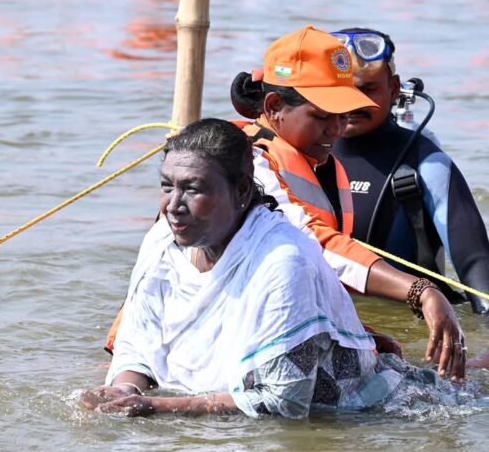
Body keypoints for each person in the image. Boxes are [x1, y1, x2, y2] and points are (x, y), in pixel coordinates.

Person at [82, 119, 416, 418]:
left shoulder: (283, 261)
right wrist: (126, 389)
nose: (172, 206)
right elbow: (138, 344)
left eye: (192, 189)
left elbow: (286, 400)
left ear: (242, 190)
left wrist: (159, 407)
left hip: (370, 410)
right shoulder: (161, 241)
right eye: (167, 186)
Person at [225, 25, 466, 381]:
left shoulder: (322, 163)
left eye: (342, 114)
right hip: (216, 339)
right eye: (322, 116)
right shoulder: (247, 163)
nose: (336, 130)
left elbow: (317, 281)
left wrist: (359, 333)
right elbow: (316, 244)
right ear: (275, 107)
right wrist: (421, 290)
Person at [329, 27, 489, 314]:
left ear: (393, 90)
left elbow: (477, 268)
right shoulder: (292, 155)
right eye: (342, 90)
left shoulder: (427, 165)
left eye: (367, 89)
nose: (352, 102)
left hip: (401, 323)